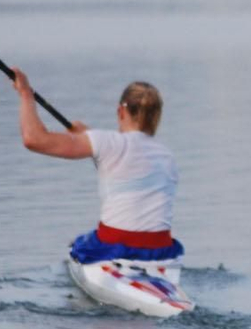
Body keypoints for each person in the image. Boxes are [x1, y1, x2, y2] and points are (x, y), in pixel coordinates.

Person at [12, 70, 183, 266]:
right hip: (162, 251)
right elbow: (122, 164)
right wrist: (87, 136)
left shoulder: (106, 142)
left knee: (77, 244)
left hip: (114, 246)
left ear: (121, 112)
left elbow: (33, 140)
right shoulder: (167, 156)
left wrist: (25, 93)